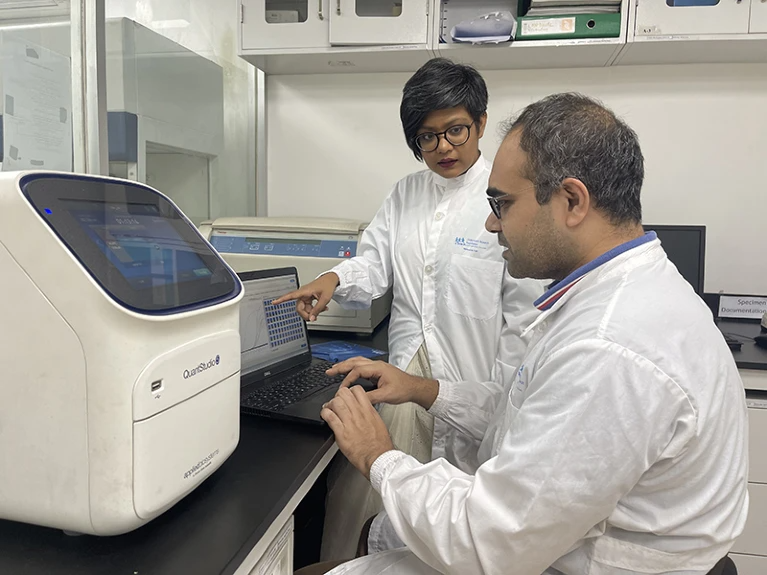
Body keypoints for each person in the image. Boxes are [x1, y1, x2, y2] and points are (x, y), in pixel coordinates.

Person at [315, 93, 749, 575]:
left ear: (572, 201)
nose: (490, 222)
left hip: (558, 559)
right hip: (556, 536)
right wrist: (424, 389)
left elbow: (488, 545)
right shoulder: (621, 293)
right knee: (376, 533)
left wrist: (378, 455)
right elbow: (526, 412)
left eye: (502, 203)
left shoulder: (609, 346)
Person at [273, 57, 543, 560]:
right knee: (377, 500)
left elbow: (522, 319)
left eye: (456, 130)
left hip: (472, 381)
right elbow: (375, 262)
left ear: (481, 123)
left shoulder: (503, 201)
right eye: (427, 136)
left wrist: (506, 405)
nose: (442, 147)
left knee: (457, 524)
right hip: (402, 375)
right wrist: (334, 278)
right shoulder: (405, 194)